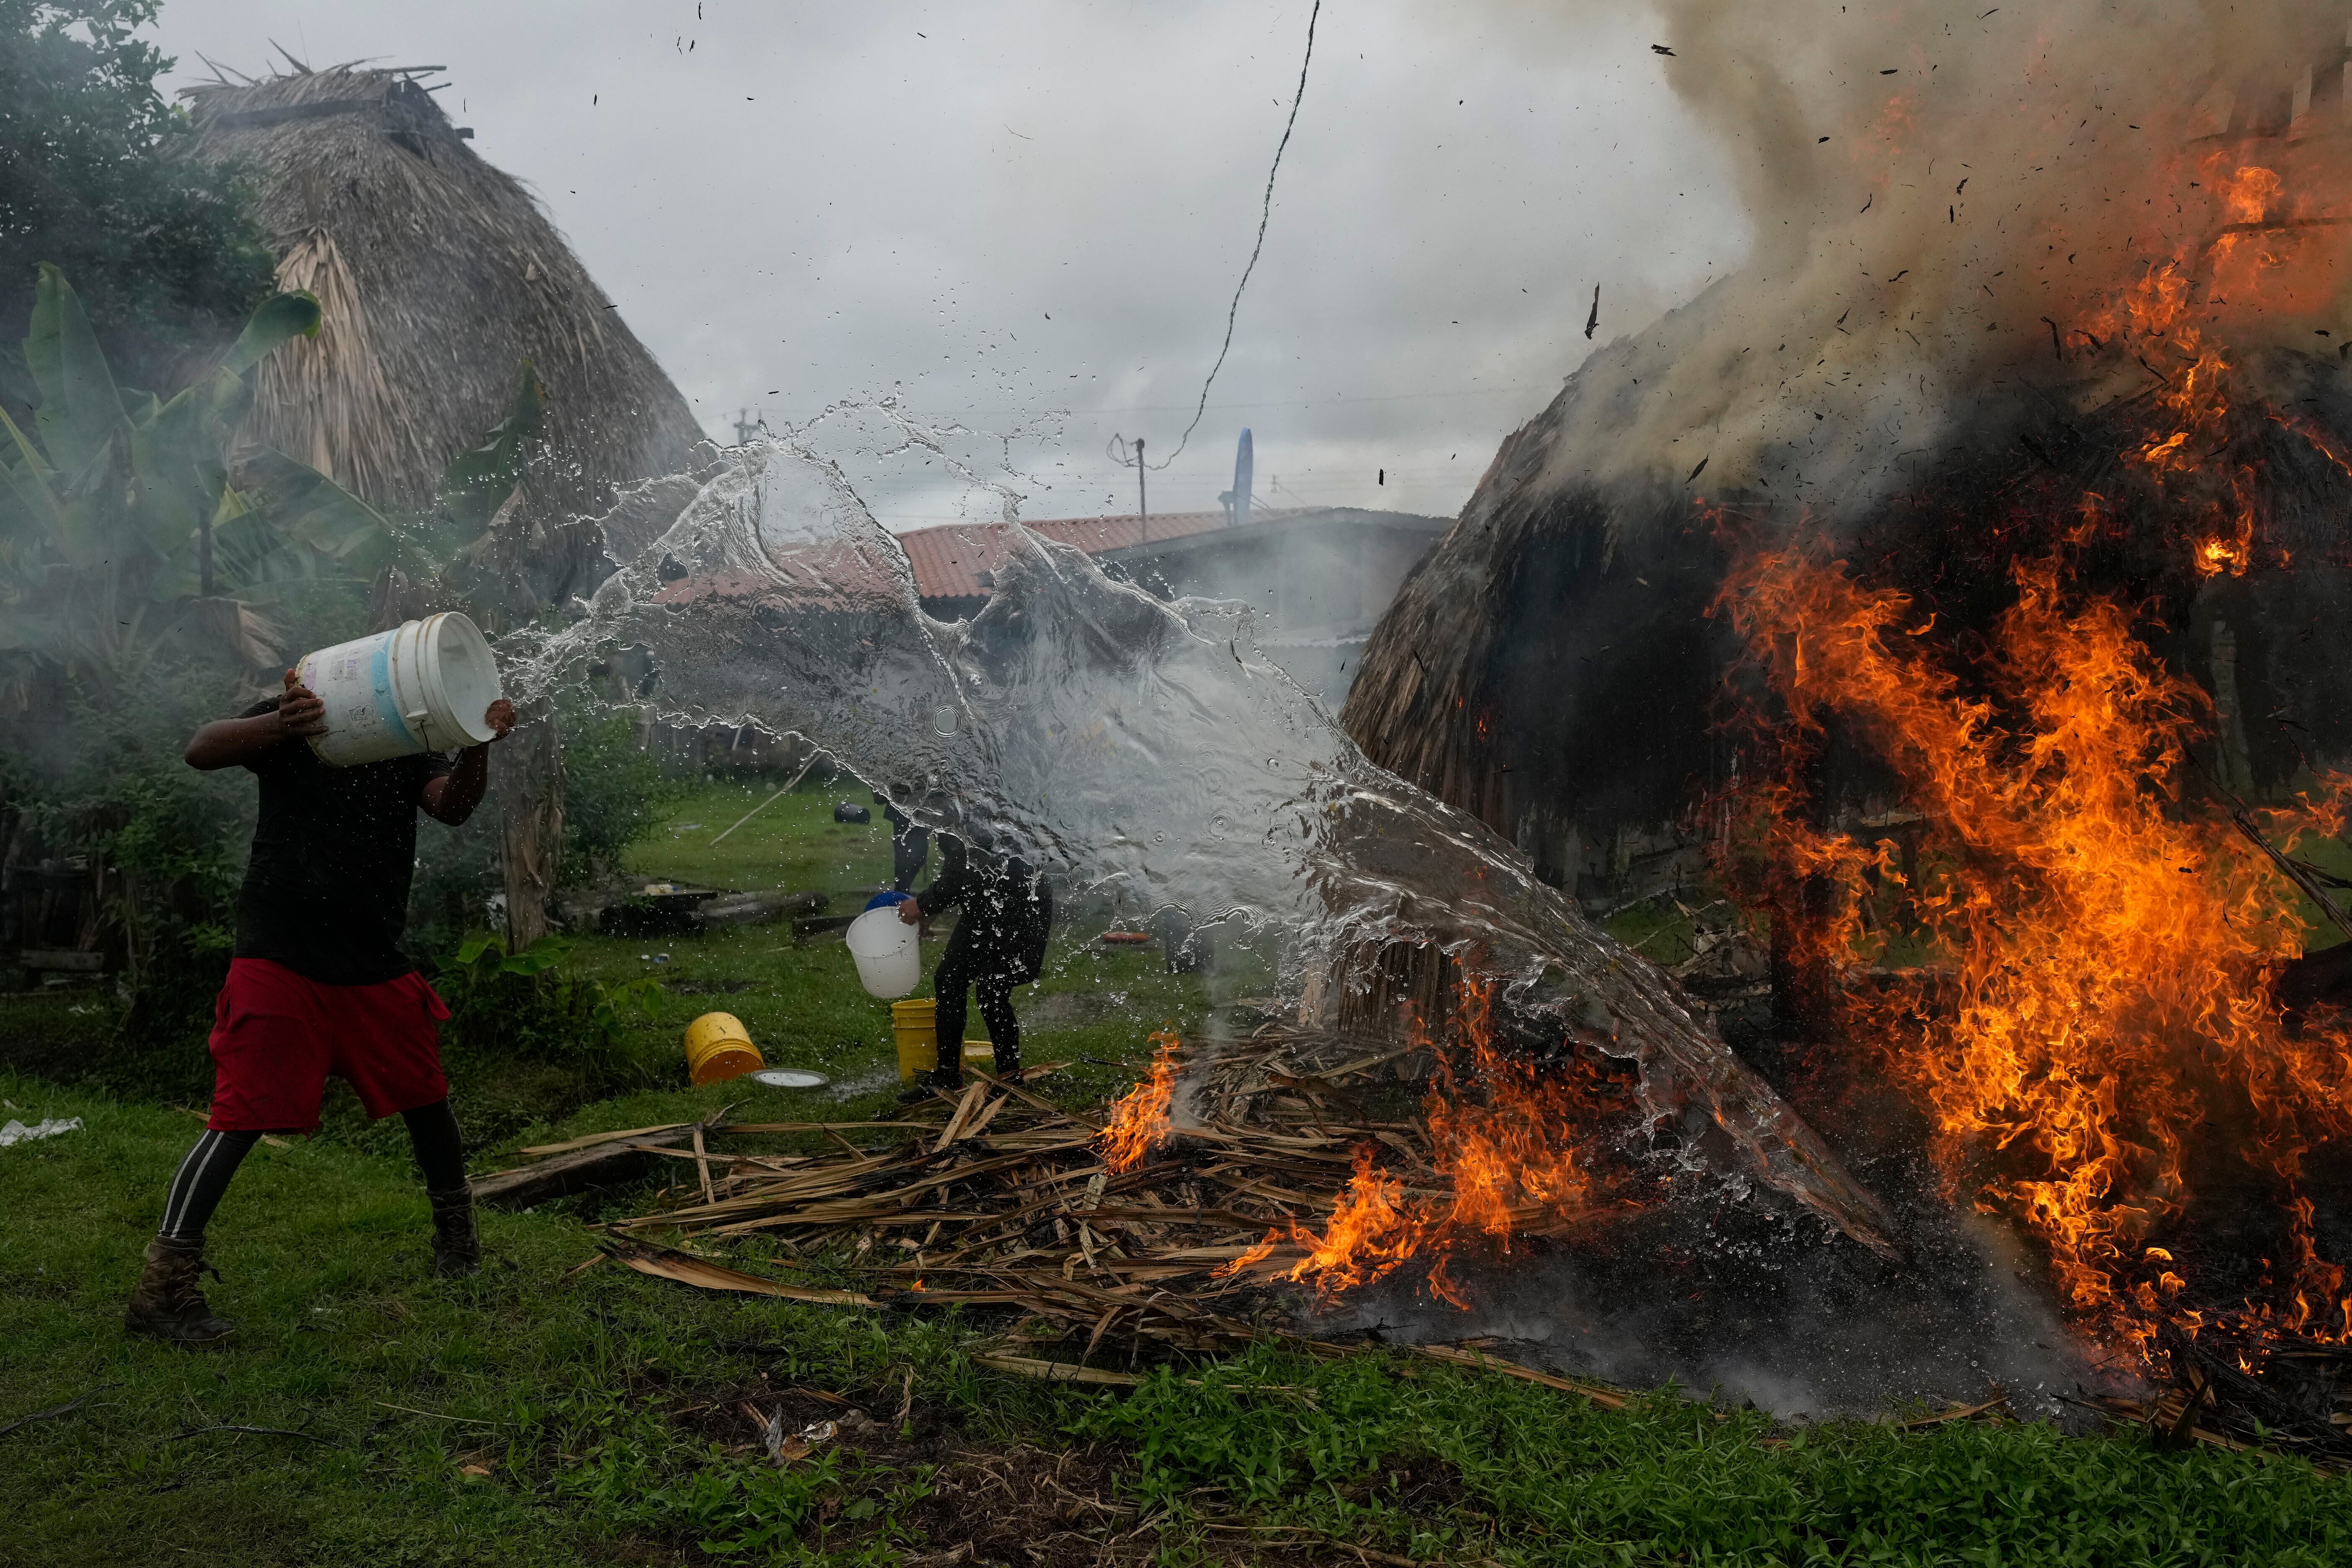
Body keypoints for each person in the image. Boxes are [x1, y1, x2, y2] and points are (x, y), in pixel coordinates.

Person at [124, 667, 516, 1348]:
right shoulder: (299, 719)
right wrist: (283, 722)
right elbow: (201, 747)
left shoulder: (403, 739)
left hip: (370, 955)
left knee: (428, 1097)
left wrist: (479, 740)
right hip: (280, 955)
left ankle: (458, 1242)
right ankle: (163, 1285)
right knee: (240, 1115)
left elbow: (450, 805)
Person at [895, 833, 1051, 1097]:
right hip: (984, 902)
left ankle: (1009, 1079)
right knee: (949, 979)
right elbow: (964, 868)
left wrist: (923, 904)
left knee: (992, 992)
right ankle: (946, 1076)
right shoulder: (943, 803)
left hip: (1021, 904)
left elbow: (964, 867)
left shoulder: (967, 803)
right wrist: (934, 906)